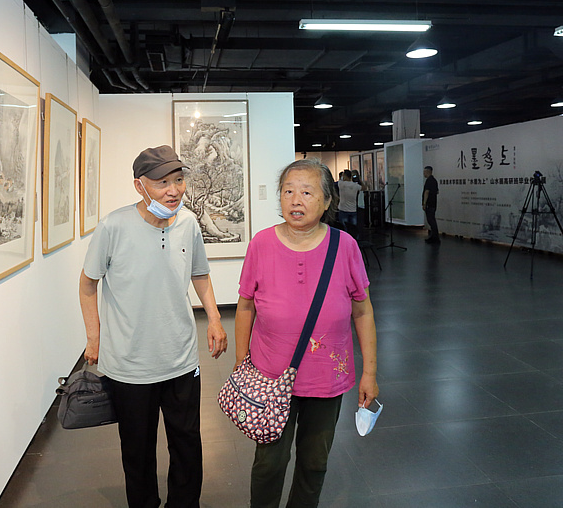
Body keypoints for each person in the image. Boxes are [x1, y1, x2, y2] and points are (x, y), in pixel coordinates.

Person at [79, 145, 228, 508]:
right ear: (139, 186)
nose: (174, 190)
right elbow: (87, 284)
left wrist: (215, 318)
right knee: (138, 451)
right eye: (162, 183)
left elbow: (200, 273)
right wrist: (94, 338)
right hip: (129, 365)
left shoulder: (189, 223)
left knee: (187, 445)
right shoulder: (113, 226)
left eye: (178, 180)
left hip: (180, 359)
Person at [234, 158, 379, 508]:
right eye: (288, 191)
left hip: (327, 377)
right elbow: (245, 306)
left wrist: (370, 373)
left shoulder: (344, 247)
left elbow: (362, 310)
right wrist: (243, 365)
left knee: (315, 463)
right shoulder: (262, 244)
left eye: (307, 192)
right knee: (269, 463)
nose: (295, 200)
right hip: (269, 376)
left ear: (328, 201)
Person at [337, 169, 361, 239]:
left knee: (344, 230)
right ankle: (354, 242)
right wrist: (359, 179)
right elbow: (364, 187)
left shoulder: (341, 184)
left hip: (343, 209)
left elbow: (340, 180)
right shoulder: (355, 185)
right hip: (353, 210)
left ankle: (344, 242)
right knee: (353, 229)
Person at [423, 165, 440, 244]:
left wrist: (424, 203)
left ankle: (435, 238)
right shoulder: (434, 181)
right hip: (433, 204)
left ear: (427, 171)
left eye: (424, 172)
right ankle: (434, 237)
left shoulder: (429, 181)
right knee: (432, 220)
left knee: (431, 221)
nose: (424, 173)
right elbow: (437, 191)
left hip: (429, 204)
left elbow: (426, 192)